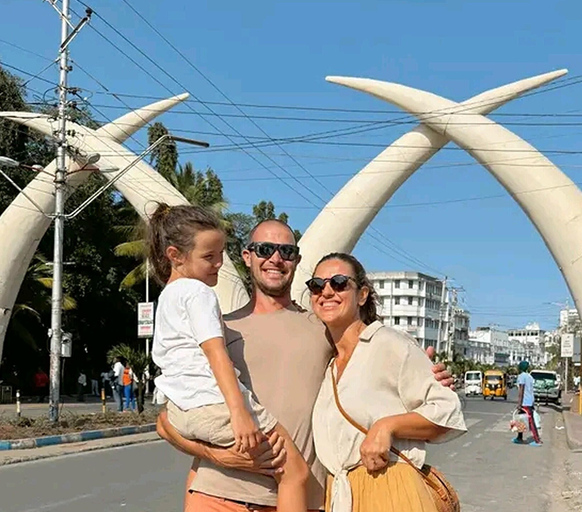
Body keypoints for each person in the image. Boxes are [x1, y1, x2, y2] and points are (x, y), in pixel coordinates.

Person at [155, 218, 453, 512]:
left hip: (304, 499)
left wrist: (428, 375)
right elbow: (168, 420)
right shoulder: (217, 330)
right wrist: (217, 456)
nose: (275, 259)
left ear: (296, 260)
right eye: (264, 249)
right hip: (219, 496)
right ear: (247, 256)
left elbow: (375, 362)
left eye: (285, 251)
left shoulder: (323, 328)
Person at [148, 203, 308, 512]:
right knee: (295, 471)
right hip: (217, 406)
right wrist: (239, 412)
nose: (219, 264)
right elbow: (215, 352)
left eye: (221, 254)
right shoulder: (199, 294)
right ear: (175, 255)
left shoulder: (167, 298)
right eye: (209, 257)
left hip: (185, 409)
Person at [309, 253, 466, 512]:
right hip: (342, 494)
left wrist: (387, 426)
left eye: (338, 282)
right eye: (317, 285)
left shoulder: (389, 343)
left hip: (391, 490)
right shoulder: (328, 363)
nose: (326, 291)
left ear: (362, 295)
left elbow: (447, 411)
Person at [514, 361, 541, 446]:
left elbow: (521, 390)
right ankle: (519, 437)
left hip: (525, 402)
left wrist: (519, 403)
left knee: (530, 421)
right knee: (520, 420)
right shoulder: (530, 376)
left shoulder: (521, 376)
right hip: (530, 400)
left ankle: (537, 440)